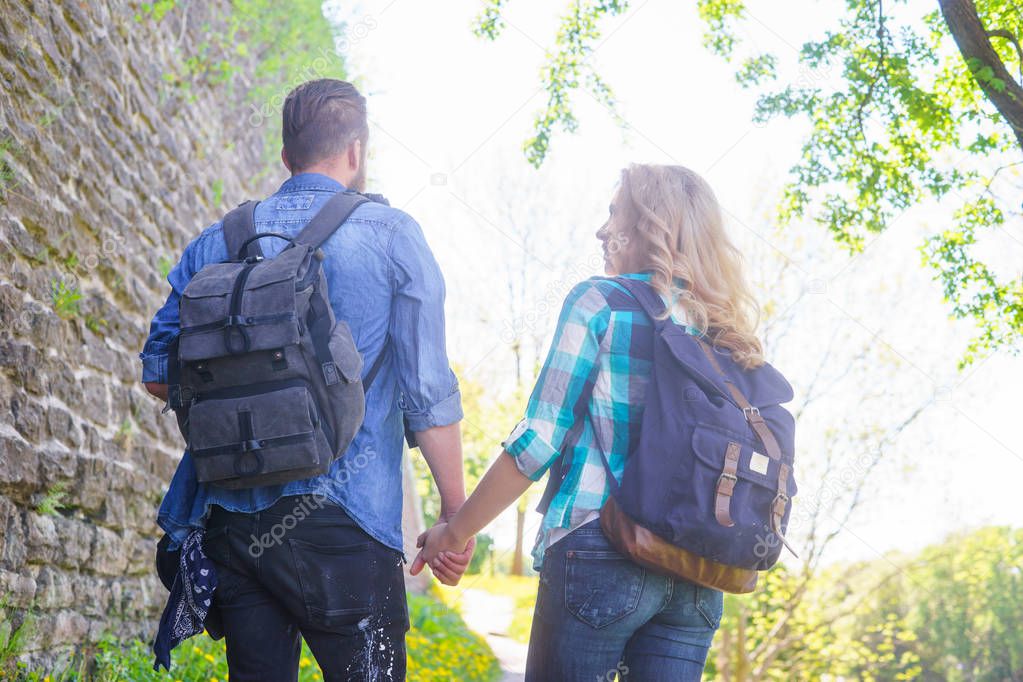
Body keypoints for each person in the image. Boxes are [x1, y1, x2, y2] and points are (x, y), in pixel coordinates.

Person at [140, 78, 473, 682]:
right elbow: (429, 397)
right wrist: (455, 515)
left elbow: (161, 376)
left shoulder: (218, 241)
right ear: (356, 153)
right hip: (348, 523)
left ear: (286, 156)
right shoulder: (393, 237)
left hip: (234, 527)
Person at [413, 164, 767, 681]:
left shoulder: (600, 301)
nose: (603, 231)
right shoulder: (727, 331)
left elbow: (539, 441)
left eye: (614, 213)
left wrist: (455, 531)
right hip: (696, 570)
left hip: (598, 547)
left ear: (651, 226)